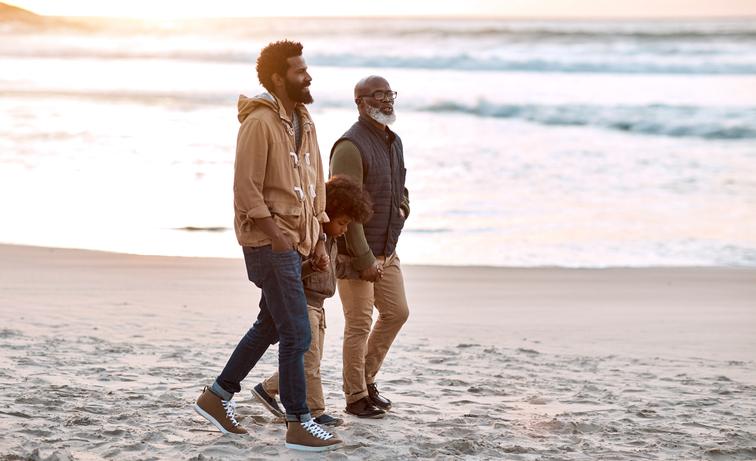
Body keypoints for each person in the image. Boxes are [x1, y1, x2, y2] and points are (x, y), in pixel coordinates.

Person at [193, 40, 342, 452]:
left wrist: (319, 238)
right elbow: (246, 190)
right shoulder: (259, 122)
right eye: (299, 71)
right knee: (297, 332)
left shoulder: (304, 120)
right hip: (269, 244)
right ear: (278, 77)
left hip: (299, 244)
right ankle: (298, 421)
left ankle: (217, 396)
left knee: (272, 326)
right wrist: (278, 239)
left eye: (307, 68)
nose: (308, 76)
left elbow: (313, 188)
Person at [252, 175, 374, 427]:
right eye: (341, 222)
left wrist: (360, 266)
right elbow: (291, 273)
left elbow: (335, 268)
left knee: (311, 360)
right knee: (310, 364)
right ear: (327, 214)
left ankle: (267, 388)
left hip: (320, 307)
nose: (344, 229)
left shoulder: (333, 241)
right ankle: (316, 411)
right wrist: (311, 265)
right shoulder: (309, 238)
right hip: (303, 304)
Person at [329, 75, 410, 418]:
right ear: (360, 103)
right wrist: (363, 258)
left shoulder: (393, 140)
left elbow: (400, 184)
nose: (387, 100)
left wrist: (404, 207)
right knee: (359, 325)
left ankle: (366, 378)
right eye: (378, 95)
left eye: (389, 93)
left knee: (396, 313)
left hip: (387, 249)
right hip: (356, 254)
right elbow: (344, 209)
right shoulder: (350, 145)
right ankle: (355, 397)